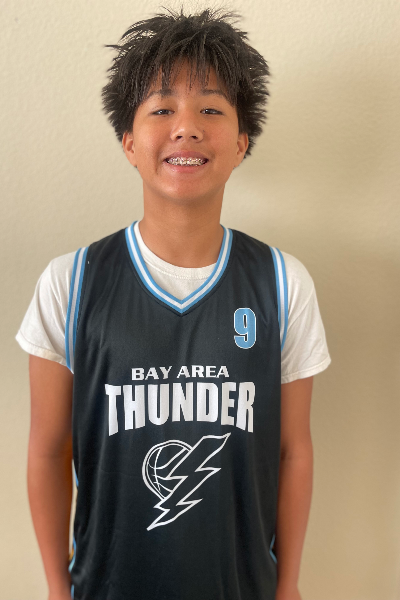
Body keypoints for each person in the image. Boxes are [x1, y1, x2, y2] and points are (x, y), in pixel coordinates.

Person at [16, 6, 331, 600]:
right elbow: (48, 449)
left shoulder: (283, 282)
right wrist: (57, 588)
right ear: (129, 142)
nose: (186, 127)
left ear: (242, 142)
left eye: (211, 109)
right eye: (162, 109)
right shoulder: (71, 282)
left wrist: (288, 585)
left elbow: (293, 450)